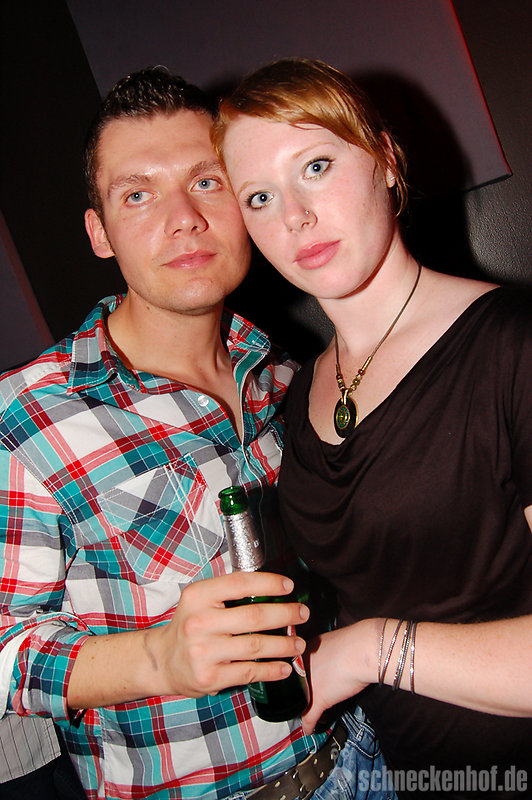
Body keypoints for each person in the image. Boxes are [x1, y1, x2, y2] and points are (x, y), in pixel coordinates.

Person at [0, 67, 395, 800]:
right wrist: (157, 658)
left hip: (363, 754)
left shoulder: (286, 376)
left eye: (207, 182)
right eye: (138, 194)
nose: (183, 217)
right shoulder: (27, 416)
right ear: (99, 233)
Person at [214, 58, 532, 797]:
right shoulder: (300, 390)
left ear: (386, 160)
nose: (294, 216)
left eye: (316, 166)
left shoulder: (513, 346)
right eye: (260, 196)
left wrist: (366, 652)